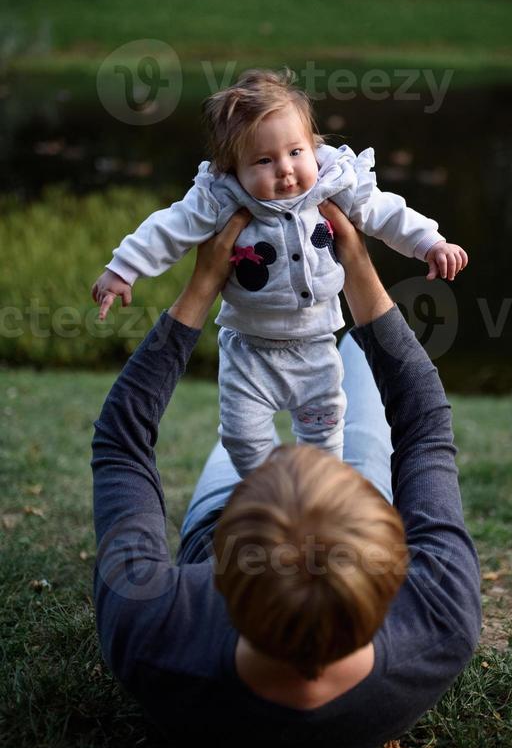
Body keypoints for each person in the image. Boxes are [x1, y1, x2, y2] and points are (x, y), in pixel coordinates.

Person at [91, 200, 481, 748]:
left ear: (219, 576)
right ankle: (333, 354)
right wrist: (358, 269)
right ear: (388, 567)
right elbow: (423, 423)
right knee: (356, 361)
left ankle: (277, 389)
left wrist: (202, 285)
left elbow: (121, 444)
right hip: (325, 498)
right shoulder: (438, 618)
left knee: (246, 429)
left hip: (250, 497)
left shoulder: (154, 627)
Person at [91, 68, 468, 478]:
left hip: (316, 346)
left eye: (295, 152)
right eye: (264, 161)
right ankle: (268, 491)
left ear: (313, 145)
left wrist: (430, 242)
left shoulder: (334, 184)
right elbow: (167, 228)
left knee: (324, 439)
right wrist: (123, 269)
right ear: (232, 167)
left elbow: (386, 212)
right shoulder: (220, 199)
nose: (285, 170)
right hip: (250, 352)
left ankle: (319, 498)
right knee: (241, 437)